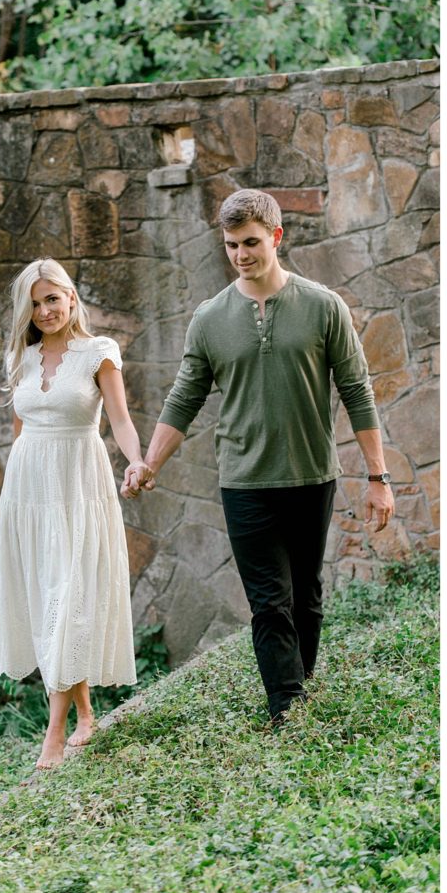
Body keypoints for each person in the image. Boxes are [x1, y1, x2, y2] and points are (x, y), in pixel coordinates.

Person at [123, 188, 395, 724]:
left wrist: (378, 476)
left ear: (276, 236)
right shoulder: (210, 318)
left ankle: (302, 688)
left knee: (305, 595)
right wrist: (150, 461)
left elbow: (358, 392)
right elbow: (184, 397)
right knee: (269, 601)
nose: (241, 255)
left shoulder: (323, 306)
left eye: (250, 242)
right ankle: (286, 710)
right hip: (244, 480)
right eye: (231, 245)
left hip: (311, 474)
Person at [0, 258, 153, 768]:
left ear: (71, 298)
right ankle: (86, 713)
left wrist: (138, 461)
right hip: (28, 491)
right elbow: (20, 430)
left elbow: (120, 421)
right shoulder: (22, 356)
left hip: (78, 486)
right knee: (49, 602)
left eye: (52, 299)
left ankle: (54, 732)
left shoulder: (99, 353)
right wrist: (10, 498)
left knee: (70, 592)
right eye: (35, 302)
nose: (44, 310)